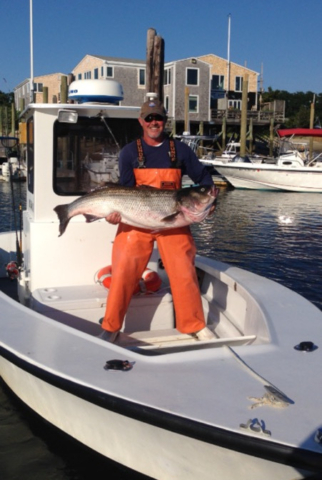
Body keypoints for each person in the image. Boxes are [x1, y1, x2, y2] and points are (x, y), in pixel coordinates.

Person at [99, 98, 216, 342]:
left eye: (159, 118)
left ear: (165, 121)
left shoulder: (180, 150)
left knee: (185, 272)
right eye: (149, 118)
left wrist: (210, 204)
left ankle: (193, 325)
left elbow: (205, 180)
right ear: (141, 122)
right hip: (136, 222)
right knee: (122, 272)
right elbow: (126, 190)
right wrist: (114, 215)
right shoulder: (130, 152)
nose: (154, 123)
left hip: (174, 221)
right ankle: (111, 327)